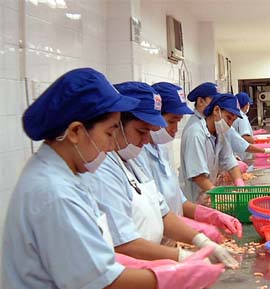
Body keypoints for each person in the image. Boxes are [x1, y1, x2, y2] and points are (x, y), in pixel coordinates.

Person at [1, 68, 224, 289]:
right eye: (108, 132)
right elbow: (103, 285)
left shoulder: (68, 178)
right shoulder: (53, 193)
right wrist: (177, 275)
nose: (111, 143)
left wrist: (166, 261)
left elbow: (95, 253)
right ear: (76, 132)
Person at [82, 81, 238, 268]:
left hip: (158, 256)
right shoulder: (102, 169)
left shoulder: (134, 159)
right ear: (117, 125)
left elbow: (162, 211)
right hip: (138, 269)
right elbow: (123, 242)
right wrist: (184, 257)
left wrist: (201, 239)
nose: (146, 140)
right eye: (142, 131)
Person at [135, 82, 243, 242]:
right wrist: (198, 232)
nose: (175, 129)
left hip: (175, 230)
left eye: (178, 122)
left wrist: (212, 216)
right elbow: (155, 213)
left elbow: (177, 200)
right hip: (161, 237)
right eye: (172, 121)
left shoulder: (161, 148)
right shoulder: (137, 155)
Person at [179, 89, 244, 202]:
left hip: (208, 197)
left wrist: (240, 185)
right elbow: (198, 176)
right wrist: (221, 197)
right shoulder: (196, 134)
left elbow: (231, 162)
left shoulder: (219, 134)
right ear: (216, 110)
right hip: (194, 201)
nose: (230, 124)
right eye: (228, 118)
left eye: (233, 120)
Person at [228, 92, 270, 161]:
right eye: (248, 104)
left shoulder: (235, 115)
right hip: (242, 155)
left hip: (236, 154)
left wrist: (255, 133)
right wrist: (261, 145)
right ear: (246, 105)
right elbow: (245, 137)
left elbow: (238, 132)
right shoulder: (242, 117)